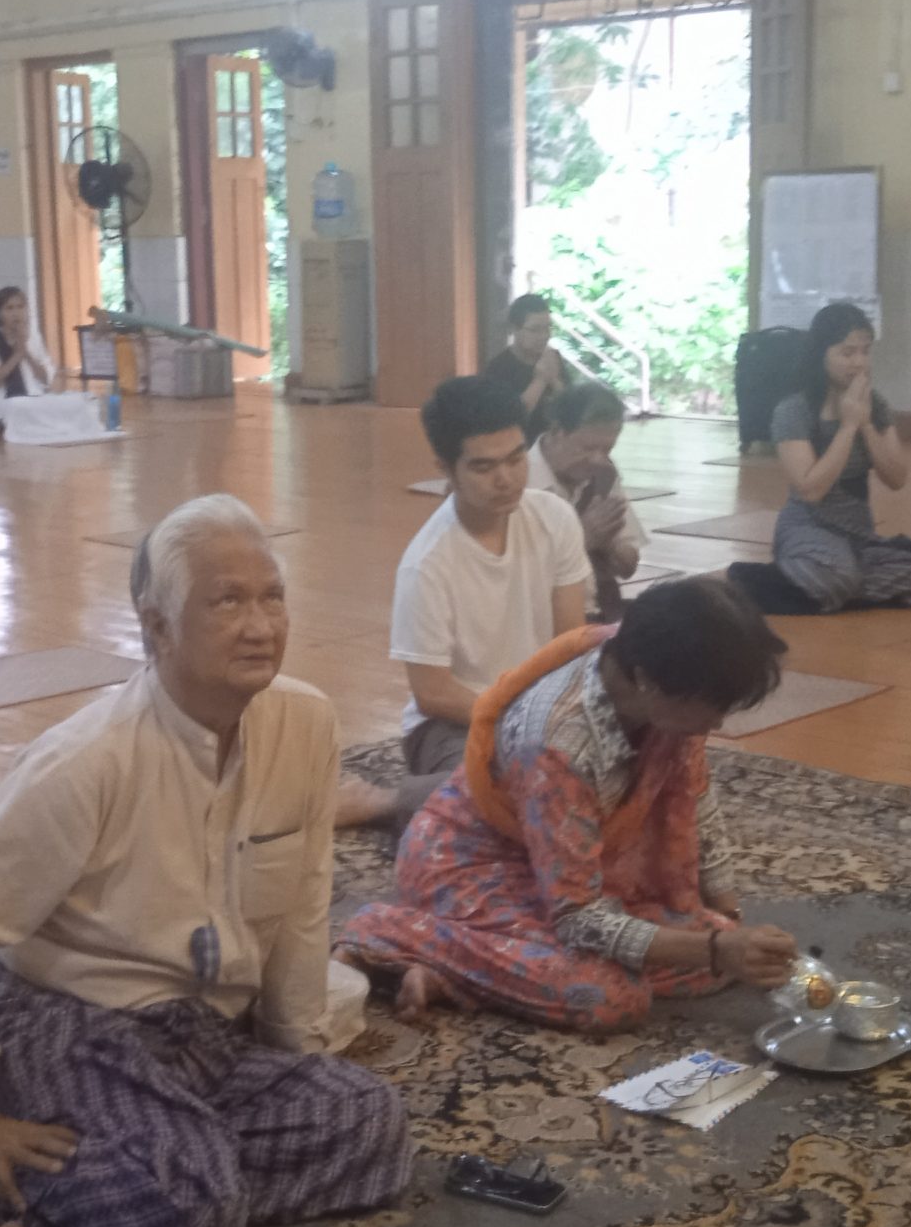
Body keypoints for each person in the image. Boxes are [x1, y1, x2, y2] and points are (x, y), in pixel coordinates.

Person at [0, 495, 410, 1227]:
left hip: (206, 1029)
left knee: (368, 1124)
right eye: (227, 602)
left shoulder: (306, 724)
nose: (260, 626)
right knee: (191, 1213)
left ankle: (75, 1199)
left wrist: (288, 1058)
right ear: (156, 628)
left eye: (272, 596)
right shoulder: (86, 761)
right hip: (75, 1024)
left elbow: (301, 905)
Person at [339, 577, 798, 1030]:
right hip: (467, 867)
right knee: (608, 995)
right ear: (646, 681)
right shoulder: (557, 745)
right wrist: (717, 950)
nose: (717, 723)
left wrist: (730, 925)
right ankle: (391, 936)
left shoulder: (650, 670)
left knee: (713, 949)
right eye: (713, 707)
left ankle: (479, 971)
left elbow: (696, 801)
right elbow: (578, 918)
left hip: (552, 862)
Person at [339, 375, 590, 829]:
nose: (506, 479)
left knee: (605, 775)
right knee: (517, 794)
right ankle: (386, 801)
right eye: (483, 467)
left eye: (516, 459)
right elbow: (432, 692)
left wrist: (559, 722)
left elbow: (571, 643)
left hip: (541, 711)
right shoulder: (427, 564)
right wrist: (516, 723)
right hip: (454, 724)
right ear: (446, 469)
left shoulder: (555, 518)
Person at [769, 300, 911, 612]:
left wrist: (865, 424)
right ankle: (769, 580)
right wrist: (848, 426)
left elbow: (897, 478)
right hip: (808, 529)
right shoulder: (794, 410)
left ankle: (831, 588)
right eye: (847, 353)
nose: (859, 362)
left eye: (865, 352)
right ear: (821, 354)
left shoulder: (876, 405)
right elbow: (811, 490)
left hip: (858, 535)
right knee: (839, 573)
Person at [531, 380, 647, 622]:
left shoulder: (603, 475)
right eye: (587, 448)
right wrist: (582, 536)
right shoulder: (520, 483)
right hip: (544, 620)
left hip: (602, 613)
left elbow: (628, 567)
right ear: (557, 432)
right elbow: (519, 576)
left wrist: (610, 544)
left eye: (607, 450)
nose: (597, 459)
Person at [0, 286, 110, 444]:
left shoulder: (32, 336)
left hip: (34, 400)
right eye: (9, 308)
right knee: (18, 405)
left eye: (20, 307)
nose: (16, 313)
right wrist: (17, 354)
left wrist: (26, 353)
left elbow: (45, 379)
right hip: (1, 404)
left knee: (81, 400)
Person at [479, 294, 580, 443]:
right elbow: (509, 420)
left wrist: (554, 380)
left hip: (554, 446)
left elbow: (572, 410)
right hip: (517, 448)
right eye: (535, 330)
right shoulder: (497, 368)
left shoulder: (553, 358)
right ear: (513, 329)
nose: (544, 336)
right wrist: (540, 380)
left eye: (547, 328)